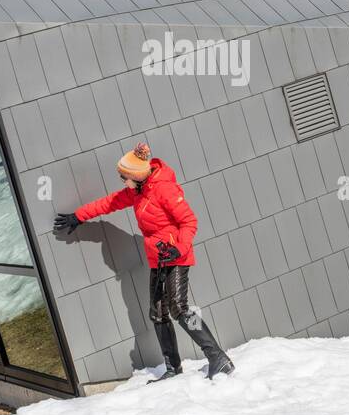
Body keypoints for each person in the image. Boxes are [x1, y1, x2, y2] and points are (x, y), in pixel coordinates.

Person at [54, 143, 234, 381]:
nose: (122, 181)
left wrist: (178, 248)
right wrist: (78, 216)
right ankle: (173, 368)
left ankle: (217, 358)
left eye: (124, 177)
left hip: (176, 255)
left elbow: (189, 222)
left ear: (137, 177)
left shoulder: (164, 190)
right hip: (158, 258)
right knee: (158, 313)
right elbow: (107, 204)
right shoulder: (137, 192)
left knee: (178, 307)